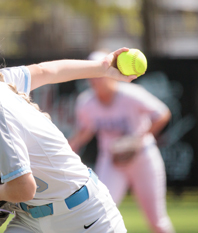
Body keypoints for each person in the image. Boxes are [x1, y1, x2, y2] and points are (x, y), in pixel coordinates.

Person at [0, 29, 136, 233]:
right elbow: (47, 71)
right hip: (31, 220)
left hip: (86, 218)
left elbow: (24, 188)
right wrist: (103, 67)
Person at [68, 50, 175, 233]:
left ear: (109, 74)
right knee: (99, 214)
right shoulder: (86, 102)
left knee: (157, 221)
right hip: (111, 160)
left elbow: (163, 114)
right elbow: (86, 130)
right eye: (92, 74)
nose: (95, 79)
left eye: (99, 74)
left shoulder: (131, 94)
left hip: (143, 158)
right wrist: (70, 145)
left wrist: (138, 139)